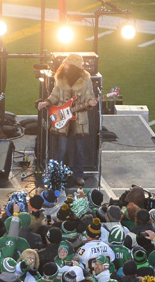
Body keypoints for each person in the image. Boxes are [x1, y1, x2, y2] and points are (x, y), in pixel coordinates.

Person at [38, 53, 99, 186]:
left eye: (67, 64)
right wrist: (46, 102)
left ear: (74, 67)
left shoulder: (86, 79)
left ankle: (78, 175)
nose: (64, 66)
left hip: (79, 119)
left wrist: (91, 102)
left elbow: (90, 95)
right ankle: (58, 175)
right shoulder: (60, 78)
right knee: (62, 149)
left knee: (79, 150)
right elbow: (55, 95)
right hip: (63, 120)